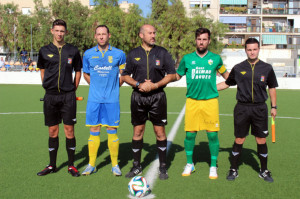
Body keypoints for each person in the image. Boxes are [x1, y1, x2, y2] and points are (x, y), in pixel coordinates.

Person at [217, 38, 278, 183]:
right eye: (249, 50)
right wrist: (208, 89)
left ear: (258, 49)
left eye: (254, 49)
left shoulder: (267, 68)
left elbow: (272, 88)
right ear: (245, 50)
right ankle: (233, 169)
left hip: (260, 109)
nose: (252, 52)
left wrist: (274, 107)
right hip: (242, 108)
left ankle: (264, 170)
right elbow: (227, 83)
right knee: (239, 139)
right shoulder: (238, 68)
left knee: (261, 140)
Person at [121, 24, 176, 180]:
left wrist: (155, 85)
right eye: (150, 33)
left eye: (154, 33)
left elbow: (171, 74)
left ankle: (163, 167)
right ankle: (137, 166)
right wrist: (139, 84)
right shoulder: (133, 54)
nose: (153, 35)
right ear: (141, 35)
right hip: (138, 97)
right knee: (138, 131)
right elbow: (125, 76)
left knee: (160, 132)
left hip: (157, 97)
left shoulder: (162, 53)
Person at [176, 28, 229, 179]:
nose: (201, 42)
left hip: (210, 103)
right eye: (199, 39)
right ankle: (189, 164)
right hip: (192, 102)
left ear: (209, 41)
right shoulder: (187, 59)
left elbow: (229, 78)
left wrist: (215, 89)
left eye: (204, 39)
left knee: (212, 135)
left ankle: (213, 165)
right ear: (195, 40)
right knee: (190, 134)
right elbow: (177, 75)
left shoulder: (216, 59)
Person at [36, 19, 82, 177]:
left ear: (66, 32)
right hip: (50, 96)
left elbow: (78, 71)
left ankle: (71, 165)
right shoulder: (44, 50)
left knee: (69, 130)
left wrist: (72, 89)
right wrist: (46, 84)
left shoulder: (73, 50)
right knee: (52, 131)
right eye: (57, 30)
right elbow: (42, 69)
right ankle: (52, 165)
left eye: (62, 31)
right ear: (52, 31)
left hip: (68, 96)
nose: (59, 33)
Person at [81, 25, 126, 176]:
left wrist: (113, 87)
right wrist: (95, 86)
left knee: (112, 130)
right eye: (98, 34)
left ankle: (115, 164)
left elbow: (122, 75)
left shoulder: (119, 54)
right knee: (94, 130)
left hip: (112, 100)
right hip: (94, 100)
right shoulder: (87, 54)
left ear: (109, 35)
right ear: (95, 36)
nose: (101, 36)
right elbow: (86, 74)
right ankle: (91, 164)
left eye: (104, 34)